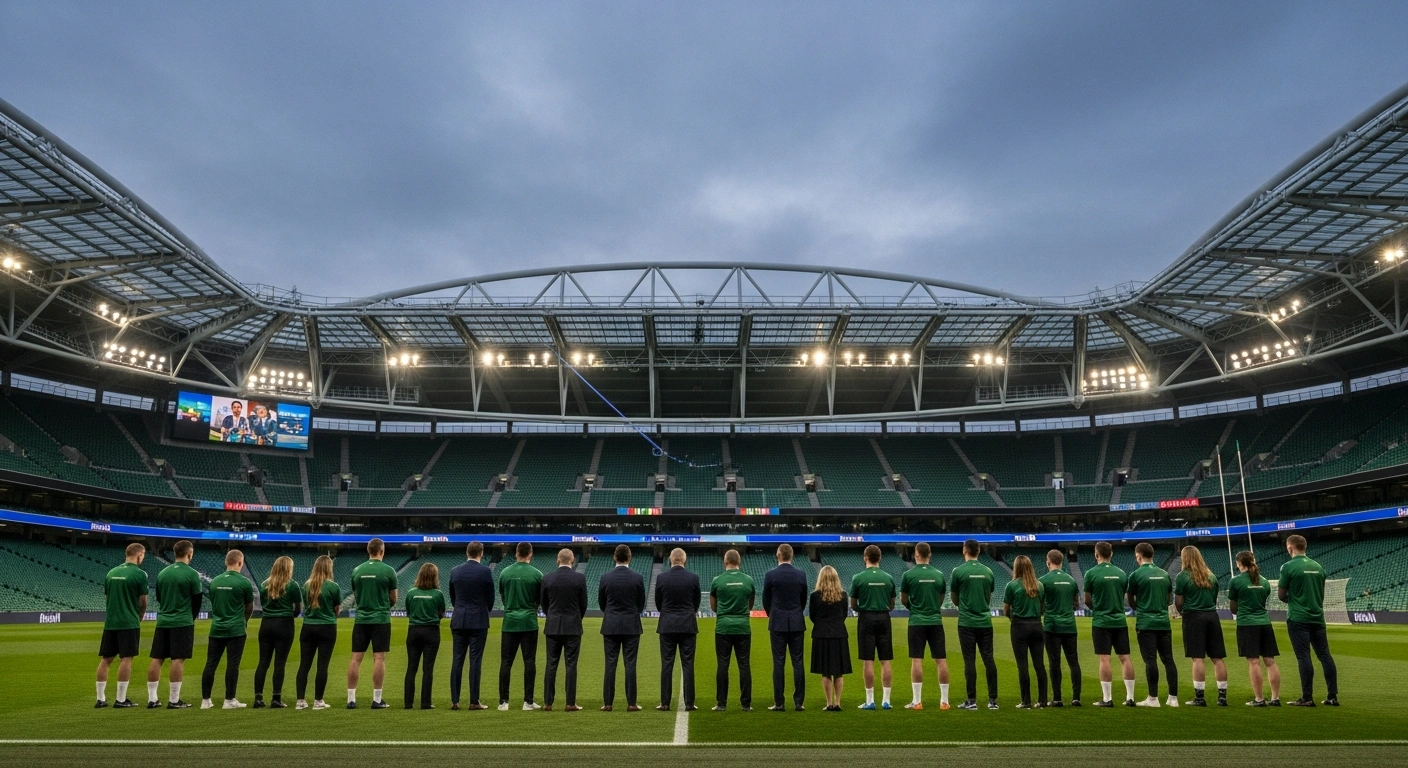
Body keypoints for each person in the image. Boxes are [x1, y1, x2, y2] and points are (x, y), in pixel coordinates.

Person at [1279, 534, 1338, 706]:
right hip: (1318, 617)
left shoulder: (1288, 567)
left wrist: (1296, 598)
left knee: (1303, 657)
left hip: (1298, 618)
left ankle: (1307, 697)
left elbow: (1282, 595)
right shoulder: (1319, 567)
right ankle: (1332, 696)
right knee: (1325, 655)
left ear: (1290, 548)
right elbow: (1321, 594)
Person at [147, 539, 201, 709]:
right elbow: (197, 601)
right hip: (182, 621)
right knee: (178, 659)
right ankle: (174, 700)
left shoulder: (163, 573)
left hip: (163, 620)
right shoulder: (192, 574)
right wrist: (190, 618)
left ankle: (152, 699)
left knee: (157, 658)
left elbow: (159, 598)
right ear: (189, 553)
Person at [347, 537, 398, 709]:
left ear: (368, 551)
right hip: (381, 619)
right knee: (379, 658)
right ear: (382, 551)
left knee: (355, 658)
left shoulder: (356, 570)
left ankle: (351, 699)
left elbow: (356, 595)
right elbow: (393, 598)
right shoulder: (388, 570)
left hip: (361, 618)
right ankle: (377, 699)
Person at [1084, 541, 1136, 707]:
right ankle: (1130, 698)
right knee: (1125, 658)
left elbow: (1087, 600)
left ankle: (1107, 699)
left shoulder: (1091, 573)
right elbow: (1122, 595)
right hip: (1119, 620)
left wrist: (1098, 608)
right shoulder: (1121, 573)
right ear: (1111, 554)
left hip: (1101, 621)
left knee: (1104, 659)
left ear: (1096, 554)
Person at [96, 542, 148, 708]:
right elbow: (143, 601)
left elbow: (107, 598)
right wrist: (139, 617)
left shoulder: (111, 572)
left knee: (106, 659)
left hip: (111, 622)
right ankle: (120, 699)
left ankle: (100, 698)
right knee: (126, 658)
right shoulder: (140, 574)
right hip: (129, 622)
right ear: (139, 555)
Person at [1175, 545, 1228, 706]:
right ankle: (1222, 697)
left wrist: (1184, 613)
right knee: (1217, 658)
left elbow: (1178, 602)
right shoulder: (1211, 576)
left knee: (1197, 658)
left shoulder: (1183, 576)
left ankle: (1199, 697)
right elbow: (1214, 599)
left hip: (1193, 617)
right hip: (1212, 616)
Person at [201, 549, 254, 709]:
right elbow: (249, 607)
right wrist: (242, 621)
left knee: (210, 663)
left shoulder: (215, 582)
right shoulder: (244, 582)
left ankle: (205, 701)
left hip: (217, 627)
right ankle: (229, 700)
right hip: (236, 629)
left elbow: (215, 603)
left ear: (226, 562)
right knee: (233, 664)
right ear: (240, 562)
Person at [1126, 542, 1177, 708]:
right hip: (1163, 622)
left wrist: (1139, 607)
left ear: (1138, 555)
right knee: (1168, 660)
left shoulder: (1136, 575)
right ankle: (1173, 698)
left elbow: (1130, 598)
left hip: (1146, 623)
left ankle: (1153, 698)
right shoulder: (1164, 574)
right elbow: (1169, 599)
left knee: (1150, 661)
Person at [900, 542, 949, 710]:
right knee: (941, 660)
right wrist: (933, 608)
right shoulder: (939, 574)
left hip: (916, 621)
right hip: (935, 621)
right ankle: (944, 701)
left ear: (916, 554)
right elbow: (941, 598)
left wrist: (914, 609)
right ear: (930, 555)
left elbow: (904, 599)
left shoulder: (908, 575)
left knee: (917, 660)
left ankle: (917, 701)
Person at [1229, 550, 1281, 706]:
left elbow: (1233, 608)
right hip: (1264, 623)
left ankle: (1259, 699)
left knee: (1253, 662)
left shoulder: (1236, 581)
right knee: (1270, 661)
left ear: (1239, 563)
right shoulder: (1264, 582)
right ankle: (1275, 698)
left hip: (1247, 624)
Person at [951, 539, 998, 710]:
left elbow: (955, 599)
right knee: (989, 659)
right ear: (978, 551)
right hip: (985, 621)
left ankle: (971, 701)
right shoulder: (988, 571)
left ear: (965, 550)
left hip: (966, 622)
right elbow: (989, 596)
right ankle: (993, 700)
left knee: (969, 661)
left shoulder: (958, 572)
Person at [598, 544, 646, 711]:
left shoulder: (605, 577)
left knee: (610, 664)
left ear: (614, 557)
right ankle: (632, 703)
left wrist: (612, 613)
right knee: (630, 664)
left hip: (611, 624)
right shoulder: (637, 578)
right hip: (631, 625)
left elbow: (602, 603)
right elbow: (641, 604)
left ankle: (608, 703)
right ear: (629, 557)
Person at [448, 541, 495, 710]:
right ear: (481, 553)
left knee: (457, 660)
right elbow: (490, 598)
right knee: (475, 661)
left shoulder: (455, 571)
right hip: (478, 620)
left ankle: (455, 700)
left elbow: (453, 597)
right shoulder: (485, 572)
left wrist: (461, 609)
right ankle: (474, 701)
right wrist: (482, 610)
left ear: (467, 552)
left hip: (459, 619)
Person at [847, 544, 894, 711]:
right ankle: (886, 701)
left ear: (865, 557)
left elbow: (853, 603)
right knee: (885, 660)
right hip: (884, 617)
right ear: (879, 558)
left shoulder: (858, 578)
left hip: (866, 618)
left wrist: (863, 610)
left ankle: (870, 700)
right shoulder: (888, 577)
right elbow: (892, 603)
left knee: (868, 660)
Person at [498, 542, 544, 711]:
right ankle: (528, 701)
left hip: (510, 621)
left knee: (506, 662)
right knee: (529, 661)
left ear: (516, 553)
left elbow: (503, 595)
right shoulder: (537, 574)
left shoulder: (505, 572)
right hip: (529, 622)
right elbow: (539, 599)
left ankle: (503, 702)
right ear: (530, 554)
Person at [540, 548, 588, 711]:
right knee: (571, 665)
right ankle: (570, 703)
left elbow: (544, 604)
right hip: (573, 626)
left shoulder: (547, 578)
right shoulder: (579, 578)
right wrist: (575, 617)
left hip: (553, 625)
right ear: (572, 560)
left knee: (551, 664)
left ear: (557, 560)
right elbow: (583, 604)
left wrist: (552, 616)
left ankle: (548, 702)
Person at [764, 543, 809, 711]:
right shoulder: (801, 575)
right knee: (798, 662)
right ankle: (799, 702)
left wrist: (773, 614)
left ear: (778, 555)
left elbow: (766, 600)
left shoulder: (771, 575)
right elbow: (803, 599)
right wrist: (796, 612)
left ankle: (779, 702)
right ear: (792, 555)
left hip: (777, 622)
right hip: (796, 621)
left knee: (778, 663)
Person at [655, 548, 702, 711]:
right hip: (687, 625)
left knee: (667, 664)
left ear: (671, 559)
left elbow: (658, 603)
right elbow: (696, 603)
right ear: (684, 559)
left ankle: (665, 702)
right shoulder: (693, 578)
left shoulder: (661, 578)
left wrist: (668, 613)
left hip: (667, 625)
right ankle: (689, 703)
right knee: (688, 664)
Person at [254, 555, 302, 708]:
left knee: (263, 662)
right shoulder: (293, 585)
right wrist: (291, 615)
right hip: (284, 624)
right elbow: (298, 608)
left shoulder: (264, 585)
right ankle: (276, 698)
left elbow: (263, 604)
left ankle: (258, 698)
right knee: (279, 663)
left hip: (266, 623)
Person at [710, 549, 755, 711]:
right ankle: (746, 704)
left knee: (722, 664)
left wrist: (724, 613)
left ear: (725, 561)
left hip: (723, 627)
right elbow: (751, 603)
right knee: (744, 665)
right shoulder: (748, 580)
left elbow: (713, 606)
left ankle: (721, 703)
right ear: (739, 562)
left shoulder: (717, 581)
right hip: (743, 626)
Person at [295, 554, 341, 710]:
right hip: (327, 627)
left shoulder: (306, 586)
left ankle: (300, 701)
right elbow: (337, 610)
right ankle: (318, 701)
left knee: (304, 665)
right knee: (322, 665)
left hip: (308, 627)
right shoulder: (333, 587)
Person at [1003, 554, 1047, 708]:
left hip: (1019, 626)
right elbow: (1042, 608)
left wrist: (1012, 617)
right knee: (1039, 664)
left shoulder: (1012, 585)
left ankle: (1026, 701)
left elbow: (1006, 610)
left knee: (1023, 665)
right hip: (1036, 625)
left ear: (1016, 567)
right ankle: (1042, 701)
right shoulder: (1039, 586)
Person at [1039, 549, 1081, 707]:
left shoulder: (1043, 580)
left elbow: (1040, 605)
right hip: (1069, 625)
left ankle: (1057, 698)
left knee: (1054, 662)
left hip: (1052, 626)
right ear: (1062, 562)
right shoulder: (1071, 580)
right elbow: (1076, 604)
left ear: (1048, 561)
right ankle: (1076, 698)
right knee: (1073, 662)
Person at [809, 564, 851, 712]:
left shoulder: (815, 596)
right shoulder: (843, 595)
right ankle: (838, 702)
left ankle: (829, 703)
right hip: (839, 634)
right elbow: (844, 615)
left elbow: (813, 616)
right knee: (838, 671)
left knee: (825, 671)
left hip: (821, 635)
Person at [404, 562, 446, 709]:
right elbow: (442, 613)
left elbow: (408, 611)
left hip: (414, 631)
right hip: (431, 632)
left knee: (411, 667)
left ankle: (408, 702)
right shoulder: (438, 594)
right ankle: (425, 702)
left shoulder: (411, 593)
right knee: (428, 669)